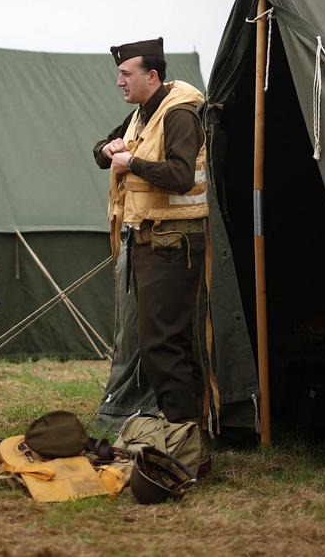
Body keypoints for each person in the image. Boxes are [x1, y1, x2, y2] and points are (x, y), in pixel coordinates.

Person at [94, 37, 208, 427]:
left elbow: (180, 175)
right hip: (149, 240)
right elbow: (100, 151)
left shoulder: (178, 115)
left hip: (173, 243)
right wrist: (109, 150)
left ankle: (181, 430)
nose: (120, 82)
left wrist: (132, 163)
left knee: (162, 343)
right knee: (162, 340)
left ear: (152, 76)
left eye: (126, 74)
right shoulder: (142, 114)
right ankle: (184, 423)